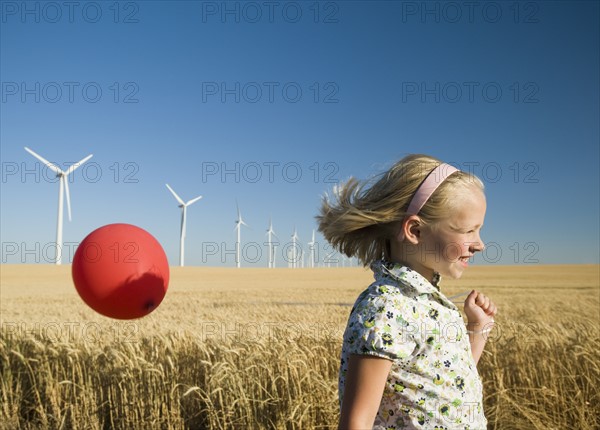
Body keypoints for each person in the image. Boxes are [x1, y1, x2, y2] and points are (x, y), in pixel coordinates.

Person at [317, 154, 497, 429]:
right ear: (415, 230)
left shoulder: (428, 303)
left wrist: (477, 331)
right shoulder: (385, 308)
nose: (480, 244)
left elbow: (451, 385)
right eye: (469, 230)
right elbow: (356, 423)